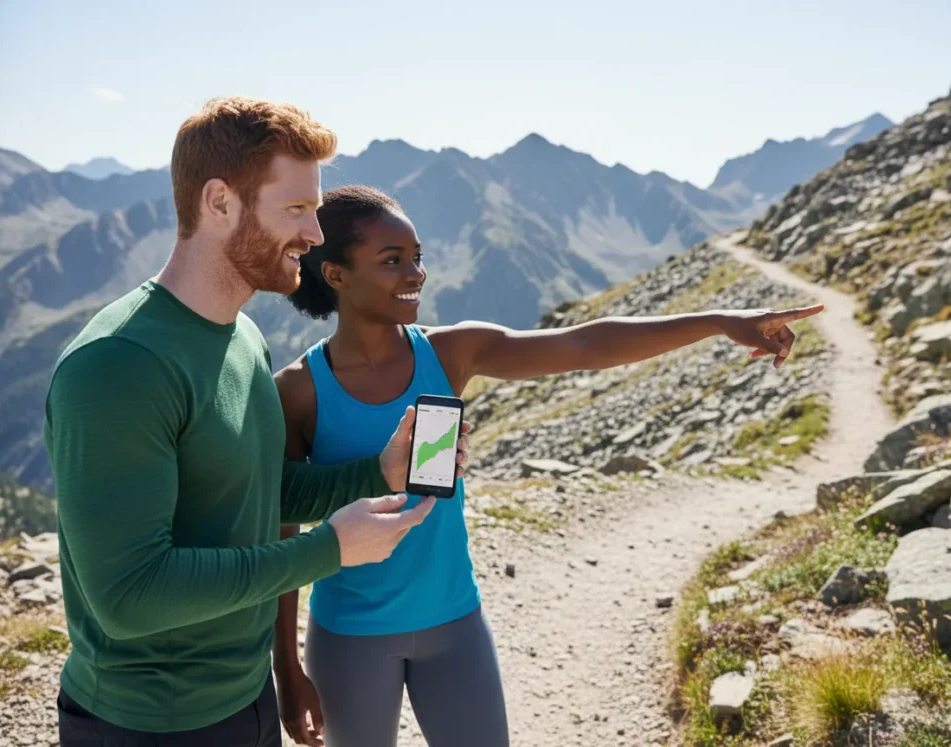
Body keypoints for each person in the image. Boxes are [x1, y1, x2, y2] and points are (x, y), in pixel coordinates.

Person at [272, 185, 824, 746]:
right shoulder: (297, 391)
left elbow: (584, 345)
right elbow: (281, 522)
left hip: (454, 623)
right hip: (348, 635)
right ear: (336, 274)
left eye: (418, 257)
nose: (415, 273)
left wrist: (720, 321)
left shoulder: (450, 353)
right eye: (393, 261)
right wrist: (286, 666)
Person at [44, 99, 471, 747]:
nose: (314, 234)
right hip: (147, 722)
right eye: (297, 211)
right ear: (219, 203)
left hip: (245, 700)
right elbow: (128, 595)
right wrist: (327, 550)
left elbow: (257, 489)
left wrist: (375, 472)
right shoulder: (117, 366)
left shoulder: (243, 337)